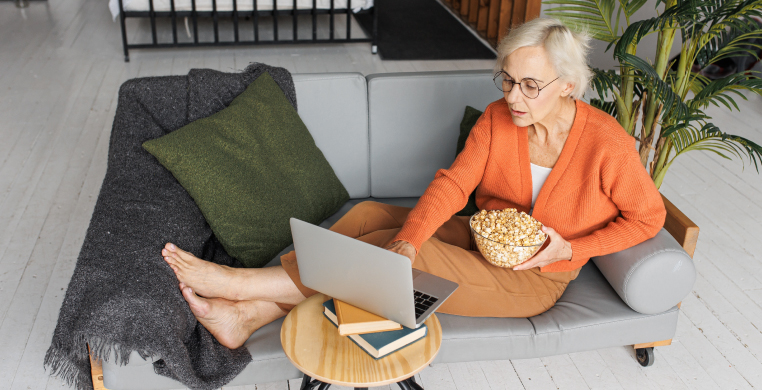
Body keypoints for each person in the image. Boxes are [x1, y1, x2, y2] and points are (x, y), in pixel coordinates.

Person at [161, 17, 667, 349]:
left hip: (534, 278)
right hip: (478, 234)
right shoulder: (496, 118)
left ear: (568, 86)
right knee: (371, 218)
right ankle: (249, 316)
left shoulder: (607, 143)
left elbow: (650, 217)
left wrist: (573, 250)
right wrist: (407, 237)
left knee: (406, 260)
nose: (514, 96)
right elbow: (454, 184)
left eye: (531, 86)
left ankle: (242, 287)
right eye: (508, 79)